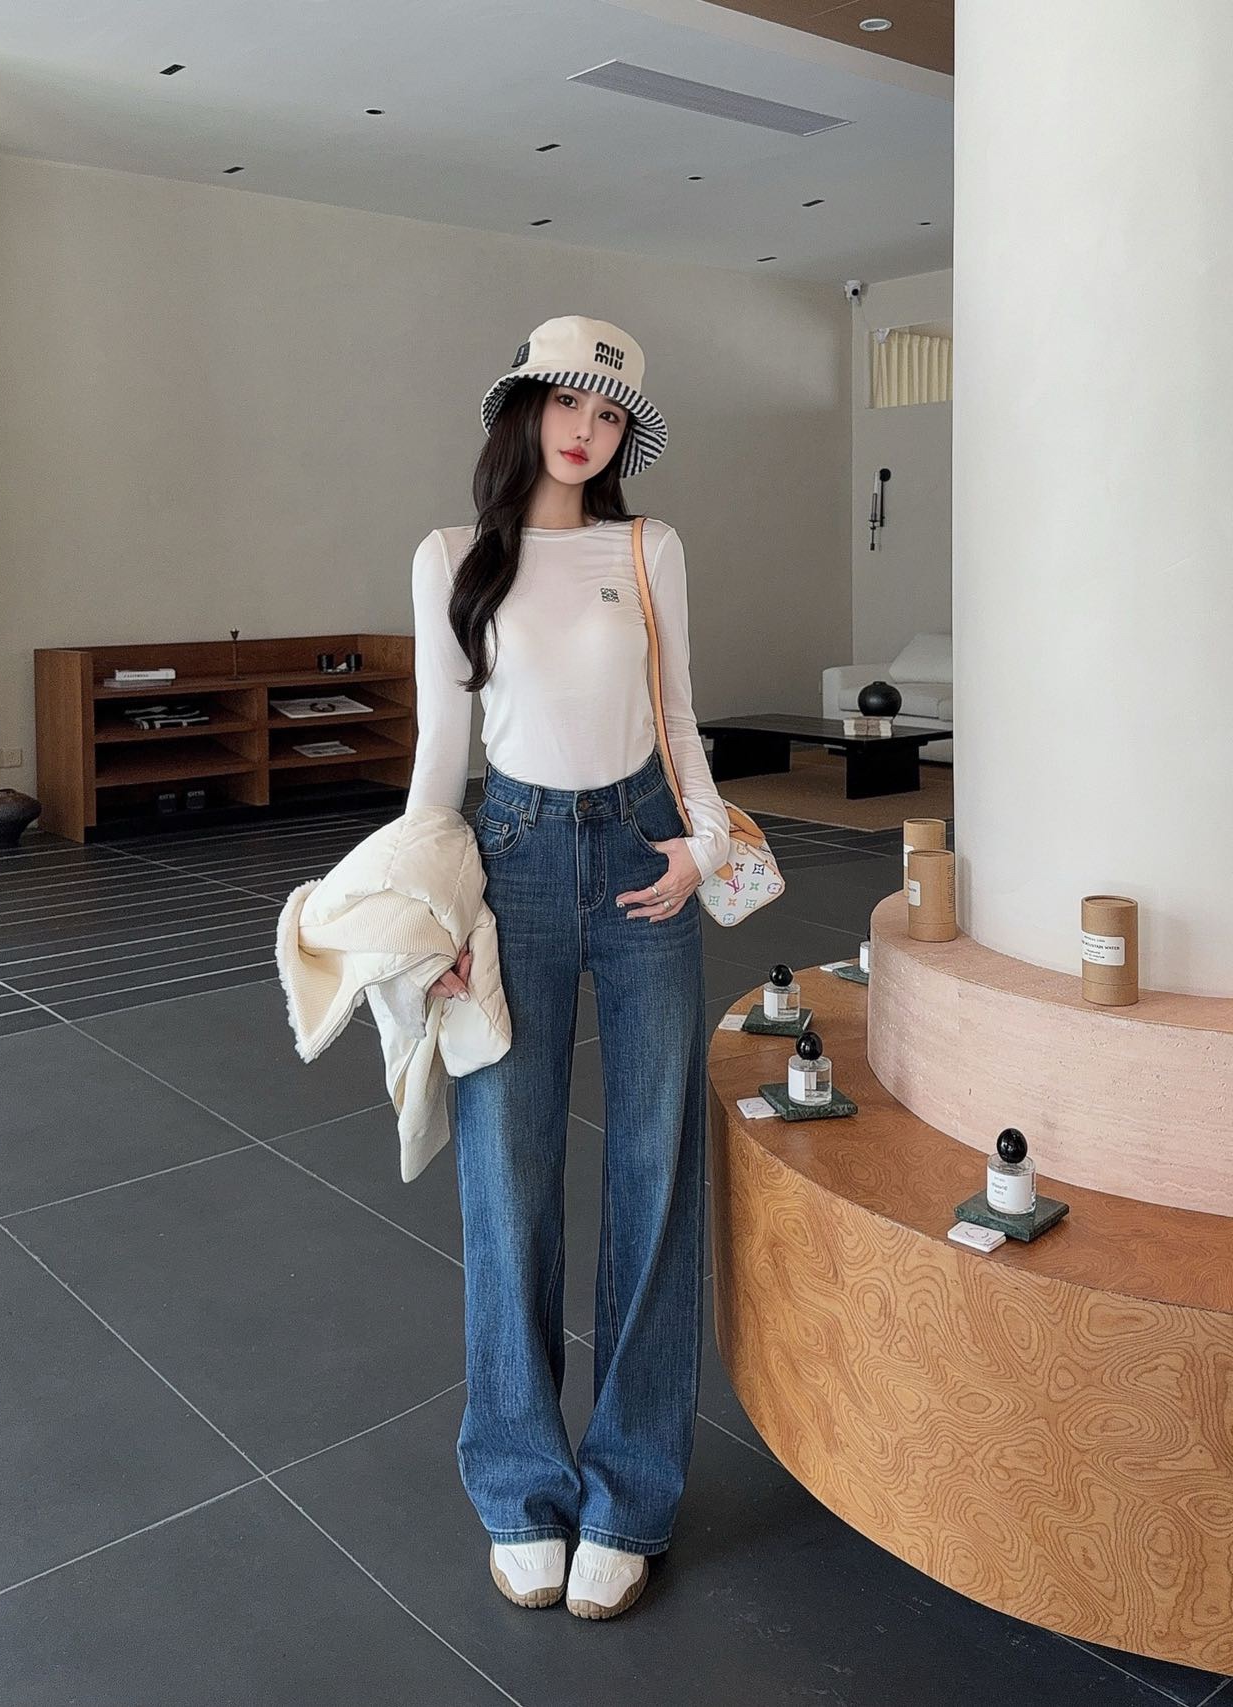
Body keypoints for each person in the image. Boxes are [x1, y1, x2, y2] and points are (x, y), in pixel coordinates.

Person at [406, 315, 730, 1621]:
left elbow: (678, 712)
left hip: (646, 851)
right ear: (526, 408)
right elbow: (440, 755)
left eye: (609, 412)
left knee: (655, 1166)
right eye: (567, 402)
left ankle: (630, 1492)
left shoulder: (650, 550)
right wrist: (433, 915)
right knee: (507, 1174)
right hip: (513, 861)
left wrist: (705, 844)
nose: (586, 430)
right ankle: (521, 1486)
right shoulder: (452, 557)